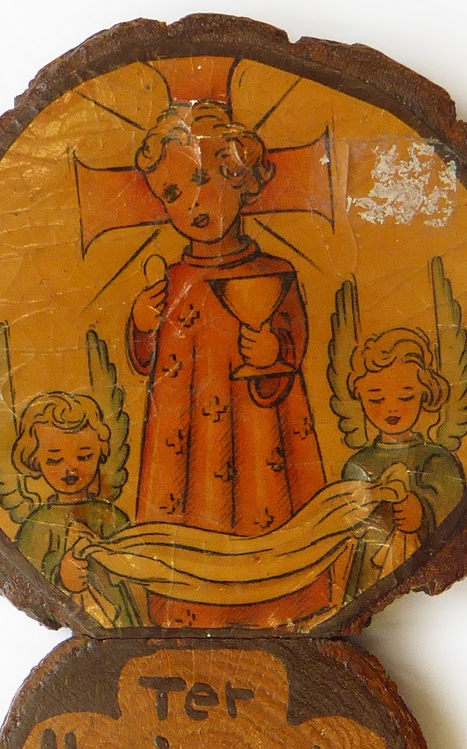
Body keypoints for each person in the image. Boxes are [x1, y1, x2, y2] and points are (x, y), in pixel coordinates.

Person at [128, 101, 329, 628]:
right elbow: (147, 360)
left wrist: (275, 354)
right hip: (183, 442)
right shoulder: (171, 281)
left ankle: (280, 606)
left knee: (268, 509)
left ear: (241, 179)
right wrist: (143, 324)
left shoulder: (274, 273)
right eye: (173, 193)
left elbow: (292, 339)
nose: (192, 203)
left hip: (261, 432)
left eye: (202, 179)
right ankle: (186, 609)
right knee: (189, 524)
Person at [340, 327, 466, 600]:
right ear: (360, 396)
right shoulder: (358, 464)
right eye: (376, 398)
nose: (391, 408)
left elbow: (455, 509)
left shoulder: (437, 460)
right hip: (368, 576)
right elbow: (348, 524)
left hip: (421, 577)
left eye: (406, 396)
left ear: (425, 393)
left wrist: (423, 511)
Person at [11, 391, 140, 627]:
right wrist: (60, 575)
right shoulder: (37, 524)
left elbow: (134, 567)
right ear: (35, 459)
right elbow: (25, 575)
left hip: (119, 622)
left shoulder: (110, 516)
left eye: (84, 456)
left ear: (100, 453)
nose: (70, 468)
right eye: (54, 460)